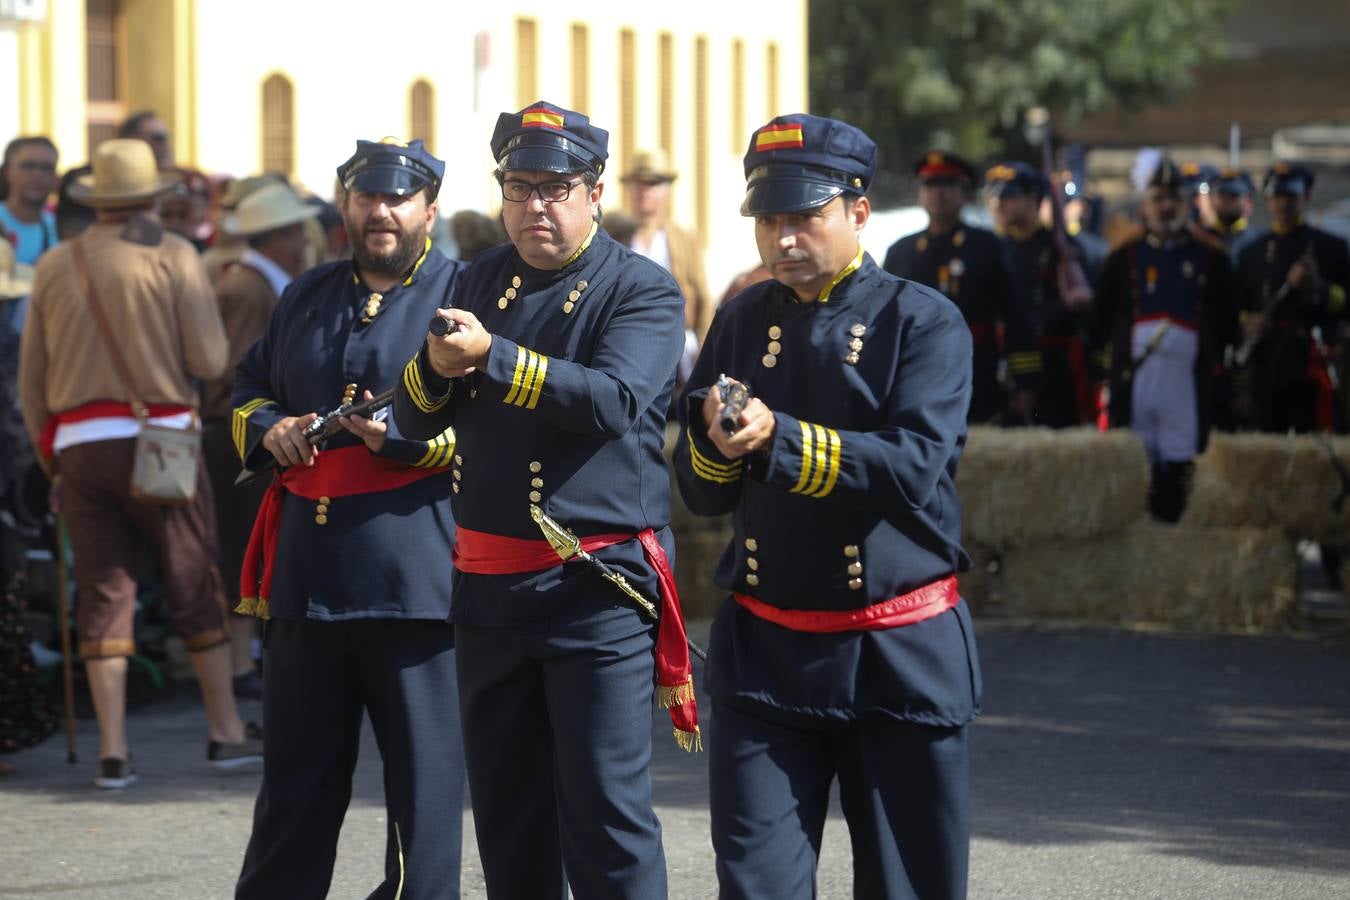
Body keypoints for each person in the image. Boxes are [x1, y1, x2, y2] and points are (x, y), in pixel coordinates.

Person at [674, 113, 981, 899]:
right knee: (757, 884)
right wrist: (714, 442)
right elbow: (704, 489)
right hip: (769, 652)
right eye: (768, 219)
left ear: (857, 213)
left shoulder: (923, 319)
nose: (782, 238)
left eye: (803, 216)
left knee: (908, 885)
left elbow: (913, 465)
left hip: (894, 653)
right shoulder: (743, 317)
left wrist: (777, 442)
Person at [391, 100, 690, 899]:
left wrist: (492, 357)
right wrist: (432, 371)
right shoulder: (476, 276)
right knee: (507, 813)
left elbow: (615, 400)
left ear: (594, 193)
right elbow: (418, 414)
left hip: (595, 586)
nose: (534, 207)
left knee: (605, 814)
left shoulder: (642, 290)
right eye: (517, 187)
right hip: (489, 588)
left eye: (555, 188)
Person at [229, 138, 467, 899]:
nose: (381, 212)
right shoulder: (306, 293)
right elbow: (245, 390)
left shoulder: (465, 295)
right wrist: (269, 426)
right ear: (345, 205)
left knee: (423, 801)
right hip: (308, 577)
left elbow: (495, 429)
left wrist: (399, 437)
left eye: (399, 198)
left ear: (430, 208)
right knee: (293, 791)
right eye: (367, 197)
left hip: (416, 579)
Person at [17, 138, 260, 789]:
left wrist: (53, 459)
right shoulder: (175, 256)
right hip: (164, 442)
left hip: (78, 448)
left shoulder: (54, 264)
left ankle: (114, 752)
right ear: (152, 197)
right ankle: (225, 730)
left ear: (96, 201)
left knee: (103, 590)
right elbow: (211, 361)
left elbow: (30, 384)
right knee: (192, 579)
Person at [200, 183, 317, 699]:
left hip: (245, 429)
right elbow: (238, 373)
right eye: (296, 231)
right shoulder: (249, 288)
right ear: (282, 236)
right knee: (240, 541)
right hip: (237, 432)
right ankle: (239, 661)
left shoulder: (257, 281)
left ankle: (244, 657)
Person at [1092, 158, 1237, 522]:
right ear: (1145, 205)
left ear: (1188, 204)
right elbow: (1101, 319)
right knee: (1137, 458)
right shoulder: (1123, 257)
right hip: (1136, 376)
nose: (1166, 206)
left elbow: (1227, 320)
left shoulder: (1211, 258)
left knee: (1183, 460)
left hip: (1188, 379)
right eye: (1158, 198)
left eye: (1174, 198)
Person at [884, 150, 1039, 424]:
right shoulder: (901, 251)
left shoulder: (987, 245)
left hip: (974, 370)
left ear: (964, 194)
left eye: (947, 185)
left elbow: (1014, 315)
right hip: (912, 372)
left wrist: (1025, 381)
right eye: (930, 185)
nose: (938, 194)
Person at [1236, 162, 1350, 433]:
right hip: (1265, 363)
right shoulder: (1252, 252)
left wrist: (1318, 287)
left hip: (1311, 362)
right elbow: (1236, 306)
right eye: (1277, 197)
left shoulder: (1331, 247)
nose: (1283, 205)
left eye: (1290, 197)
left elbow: (1345, 302)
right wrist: (1247, 322)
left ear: (1306, 197)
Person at [988, 161, 1092, 427]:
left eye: (1009, 196)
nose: (999, 204)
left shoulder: (1060, 247)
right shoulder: (999, 247)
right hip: (1012, 360)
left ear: (1033, 198)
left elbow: (1082, 302)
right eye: (997, 196)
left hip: (1054, 364)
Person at [621, 148, 713, 383]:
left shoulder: (683, 238)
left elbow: (703, 297)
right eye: (638, 184)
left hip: (679, 349)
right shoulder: (615, 236)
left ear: (667, 190)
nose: (644, 191)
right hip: (628, 345)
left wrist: (704, 351)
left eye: (652, 184)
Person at [0, 136, 60, 334]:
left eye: (46, 168)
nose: (37, 175)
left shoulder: (58, 228)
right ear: (8, 170)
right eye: (28, 166)